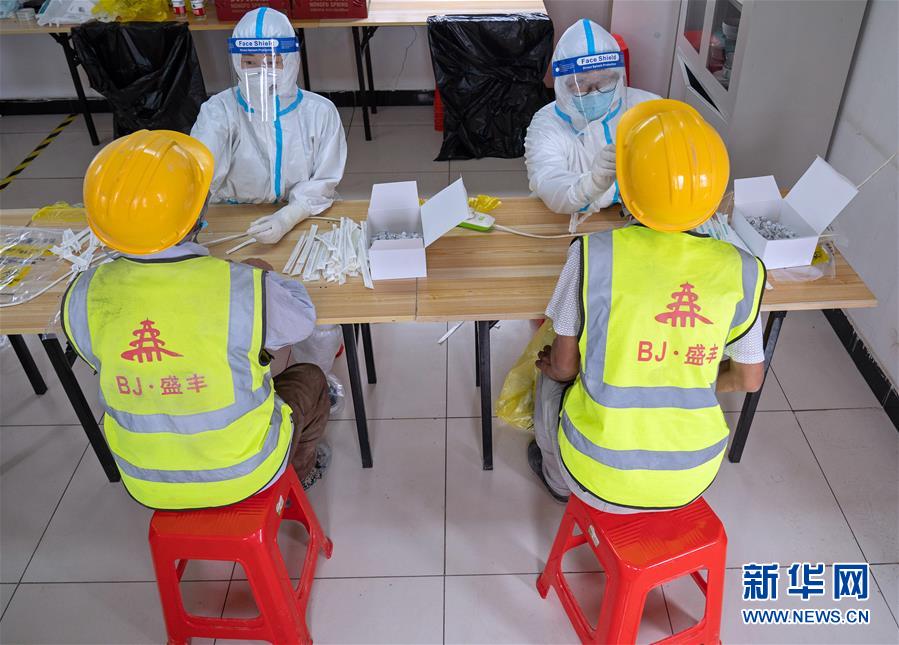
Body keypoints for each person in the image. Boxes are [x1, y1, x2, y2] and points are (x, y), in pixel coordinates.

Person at [61, 130, 332, 510]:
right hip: (245, 470)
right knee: (312, 380)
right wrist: (258, 277)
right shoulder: (238, 286)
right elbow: (301, 322)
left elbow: (96, 356)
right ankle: (295, 482)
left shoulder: (83, 292)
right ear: (196, 215)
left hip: (144, 480)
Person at [528, 99, 766, 512]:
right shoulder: (743, 269)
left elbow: (565, 367)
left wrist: (560, 369)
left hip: (596, 469)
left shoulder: (592, 254)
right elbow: (749, 379)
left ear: (627, 185)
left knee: (550, 375)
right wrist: (682, 378)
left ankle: (557, 479)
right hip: (693, 476)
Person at [190, 7, 346, 245]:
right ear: (237, 62)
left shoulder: (320, 112)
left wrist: (288, 216)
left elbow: (324, 180)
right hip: (235, 216)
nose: (261, 72)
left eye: (272, 62)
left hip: (305, 214)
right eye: (250, 62)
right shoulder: (219, 111)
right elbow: (199, 171)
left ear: (291, 60)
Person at [525, 19, 659, 219]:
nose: (594, 93)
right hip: (568, 219)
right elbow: (549, 184)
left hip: (639, 217)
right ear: (563, 85)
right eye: (581, 84)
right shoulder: (546, 124)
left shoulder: (649, 108)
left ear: (618, 77)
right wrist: (592, 184)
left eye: (604, 81)